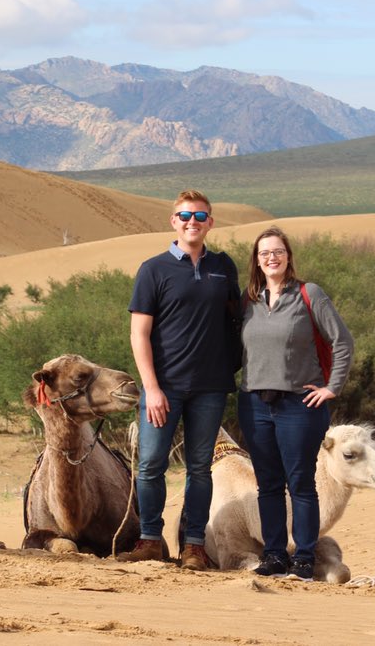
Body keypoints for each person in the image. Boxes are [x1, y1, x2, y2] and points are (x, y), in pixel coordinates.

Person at [120, 189, 241, 571]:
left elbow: (237, 319)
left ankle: (194, 546)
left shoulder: (223, 267)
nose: (193, 222)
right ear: (174, 221)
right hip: (164, 387)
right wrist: (151, 388)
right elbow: (139, 334)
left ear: (210, 222)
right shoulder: (153, 269)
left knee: (200, 468)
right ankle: (150, 540)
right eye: (186, 216)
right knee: (151, 465)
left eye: (200, 216)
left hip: (210, 386)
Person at [238, 225, 354, 581]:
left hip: (299, 406)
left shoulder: (309, 294)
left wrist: (331, 387)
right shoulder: (249, 299)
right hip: (255, 404)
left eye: (278, 251)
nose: (271, 258)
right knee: (268, 484)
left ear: (288, 256)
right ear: (257, 260)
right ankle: (274, 554)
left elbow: (342, 341)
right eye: (264, 253)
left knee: (301, 483)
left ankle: (304, 557)